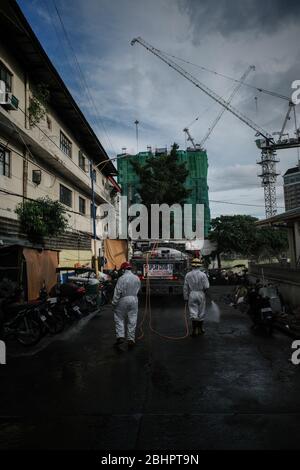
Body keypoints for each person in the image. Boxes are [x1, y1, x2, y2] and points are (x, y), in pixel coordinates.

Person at [112, 261, 141, 348]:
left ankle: (120, 336)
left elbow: (117, 291)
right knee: (132, 319)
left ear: (124, 269)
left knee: (119, 317)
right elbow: (138, 289)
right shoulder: (137, 278)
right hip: (134, 299)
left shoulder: (121, 278)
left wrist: (114, 303)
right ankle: (131, 339)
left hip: (123, 299)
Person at [184, 257, 210, 336]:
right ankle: (201, 329)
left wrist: (186, 297)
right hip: (201, 293)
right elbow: (206, 287)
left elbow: (185, 287)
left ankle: (194, 331)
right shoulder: (203, 275)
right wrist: (204, 293)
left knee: (193, 312)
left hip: (192, 294)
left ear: (192, 266)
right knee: (201, 312)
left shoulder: (188, 274)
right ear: (199, 266)